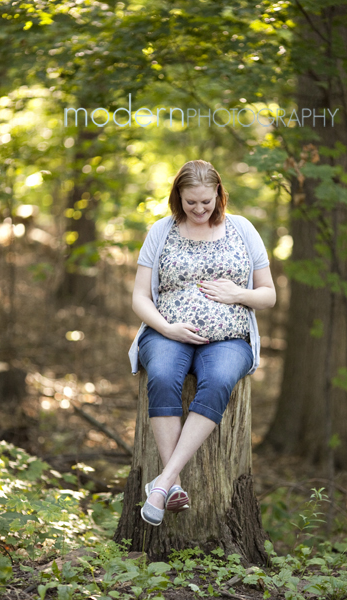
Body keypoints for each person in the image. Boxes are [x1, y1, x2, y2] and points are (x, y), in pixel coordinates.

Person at [129, 159, 276, 526]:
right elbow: (139, 297)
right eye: (190, 202)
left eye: (206, 202)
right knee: (161, 376)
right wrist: (167, 328)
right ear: (178, 197)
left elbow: (269, 295)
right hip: (167, 333)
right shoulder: (161, 231)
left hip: (228, 339)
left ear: (219, 196)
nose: (198, 209)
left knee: (220, 380)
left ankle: (163, 482)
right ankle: (171, 484)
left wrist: (239, 293)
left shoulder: (242, 229)